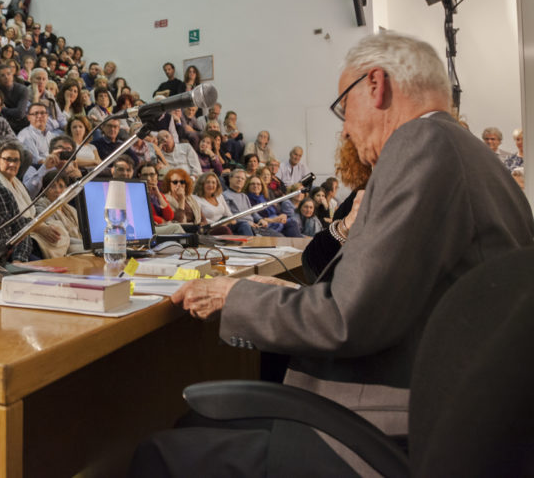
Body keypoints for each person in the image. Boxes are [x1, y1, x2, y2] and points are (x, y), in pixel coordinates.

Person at [147, 31, 534, 475]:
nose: (346, 128)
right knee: (194, 421)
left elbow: (344, 321)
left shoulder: (419, 145)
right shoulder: (479, 161)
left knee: (160, 452)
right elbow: (390, 297)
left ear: (376, 85)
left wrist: (230, 297)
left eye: (343, 109)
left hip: (382, 428)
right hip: (447, 414)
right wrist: (282, 291)